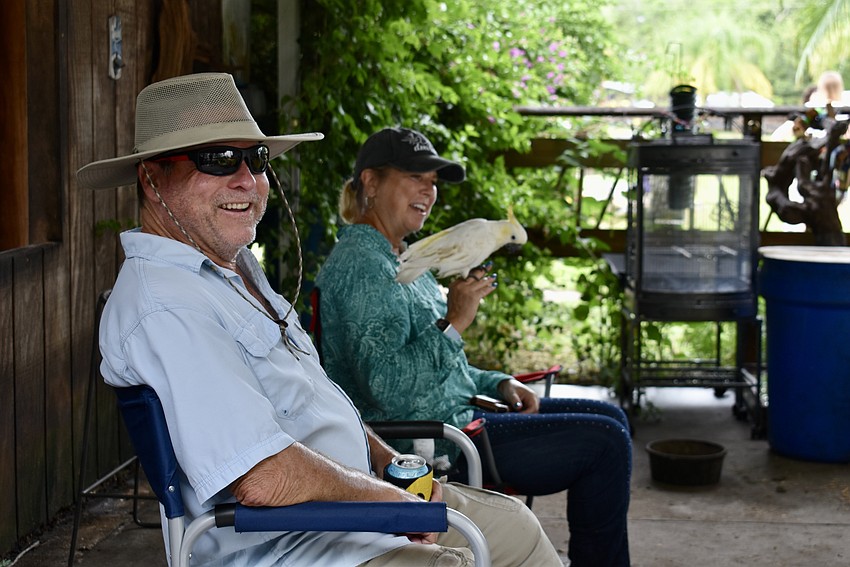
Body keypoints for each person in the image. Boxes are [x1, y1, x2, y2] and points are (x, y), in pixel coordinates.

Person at [76, 73, 562, 567]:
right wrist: (394, 504)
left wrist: (385, 461)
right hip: (296, 544)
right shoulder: (169, 304)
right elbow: (261, 476)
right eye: (218, 159)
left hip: (353, 508)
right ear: (152, 178)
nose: (246, 179)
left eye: (256, 158)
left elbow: (312, 400)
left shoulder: (232, 269)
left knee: (518, 529)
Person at [316, 127, 632, 567]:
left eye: (434, 182)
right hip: (433, 445)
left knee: (612, 416)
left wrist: (500, 382)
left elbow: (446, 366)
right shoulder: (362, 268)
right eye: (415, 177)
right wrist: (453, 322)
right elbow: (385, 389)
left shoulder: (403, 257)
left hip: (463, 417)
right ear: (370, 183)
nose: (429, 190)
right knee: (607, 445)